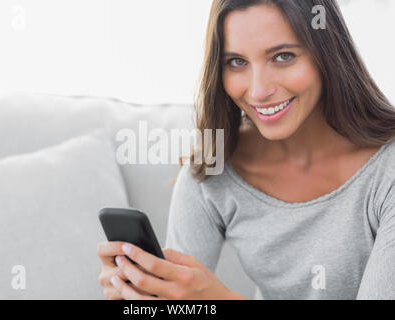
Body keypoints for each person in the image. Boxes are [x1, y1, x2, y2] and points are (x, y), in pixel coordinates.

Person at [97, 0, 395, 300]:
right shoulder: (216, 169)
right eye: (237, 62)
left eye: (283, 56)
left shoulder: (387, 170)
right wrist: (140, 295)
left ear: (328, 54)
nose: (258, 91)